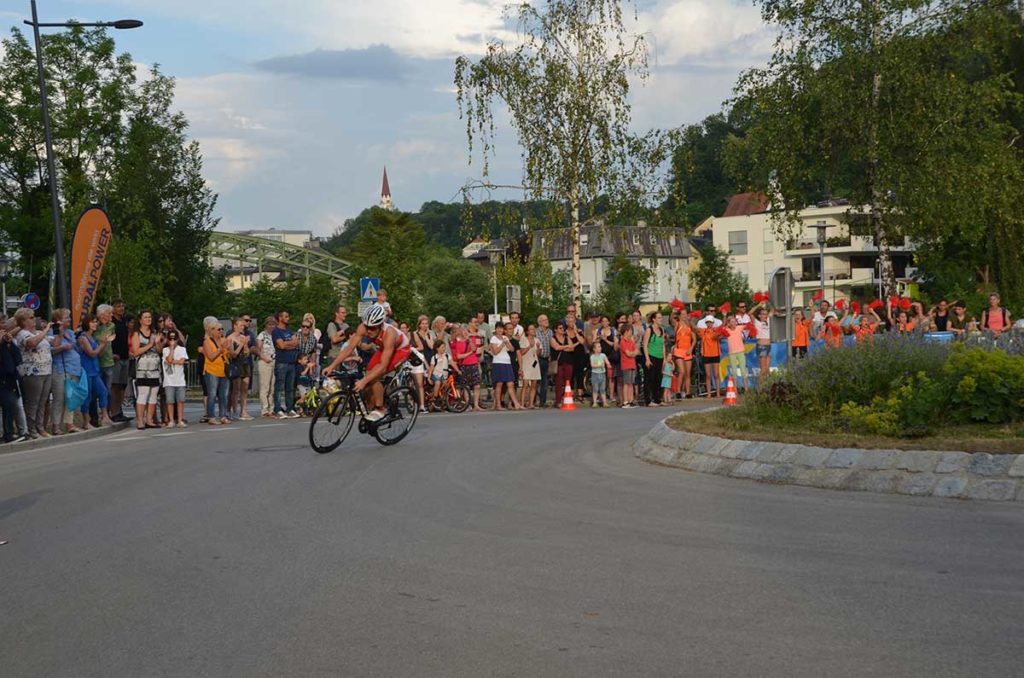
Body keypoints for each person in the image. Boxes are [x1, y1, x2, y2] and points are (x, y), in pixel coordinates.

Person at [324, 304, 411, 422]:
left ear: (380, 325)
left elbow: (383, 366)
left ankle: (380, 409)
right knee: (369, 375)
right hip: (383, 348)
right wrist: (332, 366)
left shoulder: (389, 333)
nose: (369, 331)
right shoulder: (363, 327)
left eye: (373, 328)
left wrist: (365, 380)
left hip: (400, 350)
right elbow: (349, 348)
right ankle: (372, 408)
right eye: (367, 327)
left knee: (374, 377)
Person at [13, 309, 52, 439]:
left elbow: (54, 343)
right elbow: (32, 343)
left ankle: (40, 428)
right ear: (23, 321)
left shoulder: (39, 333)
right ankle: (32, 430)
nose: (34, 319)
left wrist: (61, 330)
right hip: (32, 372)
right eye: (31, 317)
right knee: (33, 402)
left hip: (46, 370)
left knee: (43, 402)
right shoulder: (22, 334)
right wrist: (46, 331)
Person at [76, 313, 115, 429]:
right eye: (92, 322)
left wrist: (104, 343)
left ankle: (105, 416)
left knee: (103, 391)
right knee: (87, 396)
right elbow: (91, 353)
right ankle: (85, 421)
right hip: (86, 370)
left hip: (95, 370)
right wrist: (102, 344)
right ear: (86, 323)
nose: (95, 324)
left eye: (95, 322)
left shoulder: (92, 337)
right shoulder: (83, 338)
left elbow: (99, 353)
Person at [129, 309, 163, 430]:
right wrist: (150, 344)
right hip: (142, 368)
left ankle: (149, 420)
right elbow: (136, 351)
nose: (148, 319)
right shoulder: (136, 334)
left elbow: (159, 350)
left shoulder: (154, 332)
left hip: (154, 367)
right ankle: (140, 421)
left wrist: (157, 343)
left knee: (153, 394)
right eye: (145, 317)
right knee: (143, 394)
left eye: (149, 317)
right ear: (140, 320)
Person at [48, 308, 81, 434]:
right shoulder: (52, 332)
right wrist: (61, 337)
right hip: (60, 368)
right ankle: (56, 425)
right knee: (59, 398)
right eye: (67, 317)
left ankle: (69, 424)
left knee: (70, 397)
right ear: (59, 320)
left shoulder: (71, 332)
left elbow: (76, 347)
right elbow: (53, 349)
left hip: (73, 368)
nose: (70, 319)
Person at [201, 317, 230, 425]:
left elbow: (229, 355)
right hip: (212, 371)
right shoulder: (207, 342)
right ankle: (211, 416)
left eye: (222, 329)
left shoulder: (224, 340)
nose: (221, 331)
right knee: (212, 394)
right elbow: (211, 356)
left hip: (224, 371)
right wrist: (220, 348)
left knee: (224, 395)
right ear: (212, 330)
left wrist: (230, 348)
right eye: (219, 329)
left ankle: (223, 415)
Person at [0, 321, 25, 442]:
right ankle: (7, 434)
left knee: (9, 406)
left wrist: (10, 343)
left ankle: (8, 434)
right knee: (8, 403)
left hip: (9, 379)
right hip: (2, 379)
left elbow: (18, 358)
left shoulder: (7, 343)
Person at [489, 322, 523, 410]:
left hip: (507, 362)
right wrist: (502, 344)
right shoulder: (493, 338)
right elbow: (495, 351)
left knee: (511, 383)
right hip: (498, 362)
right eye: (498, 328)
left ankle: (516, 404)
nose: (500, 330)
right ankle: (498, 405)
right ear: (495, 329)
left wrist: (507, 342)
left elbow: (512, 349)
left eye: (501, 328)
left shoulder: (505, 337)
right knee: (499, 384)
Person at [108, 299, 133, 423]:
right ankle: (114, 411)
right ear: (113, 308)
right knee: (115, 385)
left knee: (122, 385)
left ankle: (119, 410)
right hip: (116, 357)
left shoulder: (123, 321)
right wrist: (111, 353)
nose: (121, 309)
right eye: (118, 306)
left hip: (125, 356)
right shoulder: (111, 322)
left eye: (122, 306)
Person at [272, 310, 300, 418]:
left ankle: (290, 409)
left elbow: (296, 343)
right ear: (280, 318)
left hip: (291, 362)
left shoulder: (289, 330)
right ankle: (278, 409)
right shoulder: (276, 331)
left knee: (290, 387)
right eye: (286, 316)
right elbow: (281, 345)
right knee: (279, 387)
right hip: (281, 362)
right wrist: (288, 344)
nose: (288, 318)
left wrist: (286, 343)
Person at [451, 325, 483, 412]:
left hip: (474, 363)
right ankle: (468, 404)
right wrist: (469, 353)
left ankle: (476, 405)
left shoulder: (471, 340)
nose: (465, 333)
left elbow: (475, 349)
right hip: (464, 365)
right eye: (463, 331)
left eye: (466, 331)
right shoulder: (458, 342)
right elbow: (458, 356)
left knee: (477, 385)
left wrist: (469, 341)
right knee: (466, 386)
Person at [162, 330, 188, 427]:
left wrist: (172, 361)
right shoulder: (165, 350)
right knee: (170, 401)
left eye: (174, 338)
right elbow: (168, 360)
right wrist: (171, 349)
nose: (172, 340)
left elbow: (182, 361)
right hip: (169, 380)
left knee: (180, 400)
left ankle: (180, 420)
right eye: (170, 338)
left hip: (180, 380)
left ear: (177, 339)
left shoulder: (182, 349)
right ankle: (171, 420)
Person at [409, 315, 433, 413]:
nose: (424, 325)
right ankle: (418, 403)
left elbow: (431, 346)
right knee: (418, 383)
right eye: (422, 324)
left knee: (429, 382)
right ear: (419, 325)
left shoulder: (430, 334)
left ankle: (428, 403)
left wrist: (427, 336)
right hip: (420, 359)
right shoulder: (415, 334)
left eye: (426, 324)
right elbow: (419, 347)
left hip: (429, 357)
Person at [254, 316, 277, 417]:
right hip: (265, 362)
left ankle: (272, 408)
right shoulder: (262, 335)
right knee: (265, 386)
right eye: (269, 324)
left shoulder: (276, 335)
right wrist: (264, 357)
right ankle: (264, 409)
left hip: (275, 361)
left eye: (273, 324)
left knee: (273, 387)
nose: (271, 326)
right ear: (266, 325)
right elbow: (257, 349)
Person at [698, 309, 723, 399]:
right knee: (708, 375)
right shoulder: (703, 331)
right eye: (708, 322)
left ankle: (718, 393)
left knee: (716, 375)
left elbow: (722, 329)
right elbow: (694, 328)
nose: (709, 324)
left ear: (713, 323)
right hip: (706, 355)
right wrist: (690, 320)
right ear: (706, 323)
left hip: (715, 354)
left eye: (711, 322)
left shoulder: (716, 331)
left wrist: (724, 316)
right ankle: (709, 393)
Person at [642, 311, 665, 406]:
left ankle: (657, 399)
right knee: (649, 379)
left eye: (661, 317)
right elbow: (645, 345)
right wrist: (647, 359)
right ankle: (648, 400)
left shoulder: (662, 330)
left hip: (660, 357)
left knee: (658, 379)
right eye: (659, 318)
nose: (661, 319)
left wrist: (664, 358)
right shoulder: (649, 330)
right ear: (654, 319)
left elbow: (663, 344)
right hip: (651, 356)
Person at [550, 322, 577, 403]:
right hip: (558, 363)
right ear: (555, 330)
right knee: (558, 382)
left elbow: (572, 348)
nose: (562, 329)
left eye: (563, 328)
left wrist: (565, 347)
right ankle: (558, 400)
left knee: (568, 381)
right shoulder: (553, 338)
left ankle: (566, 398)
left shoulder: (566, 337)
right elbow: (556, 347)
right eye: (560, 328)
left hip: (568, 361)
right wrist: (566, 346)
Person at [671, 312, 695, 400]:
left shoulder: (689, 326)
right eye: (683, 314)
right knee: (681, 371)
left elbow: (694, 339)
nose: (685, 316)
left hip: (687, 351)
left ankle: (688, 392)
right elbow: (672, 319)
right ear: (680, 315)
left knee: (688, 373)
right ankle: (678, 391)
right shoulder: (677, 324)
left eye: (686, 314)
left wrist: (691, 348)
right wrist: (673, 311)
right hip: (679, 350)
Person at [722, 316, 749, 392]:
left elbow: (749, 326)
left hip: (740, 352)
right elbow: (721, 330)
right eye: (732, 322)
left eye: (735, 321)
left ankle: (746, 389)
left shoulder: (739, 328)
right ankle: (735, 390)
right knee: (734, 372)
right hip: (732, 353)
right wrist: (726, 323)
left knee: (743, 370)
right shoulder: (727, 330)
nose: (734, 323)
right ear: (729, 323)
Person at [519, 324, 540, 409]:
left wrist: (538, 348)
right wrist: (529, 346)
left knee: (534, 384)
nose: (533, 331)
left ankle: (531, 403)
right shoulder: (523, 339)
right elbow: (521, 353)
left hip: (535, 363)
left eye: (534, 329)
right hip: (526, 363)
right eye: (531, 329)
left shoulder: (537, 340)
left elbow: (538, 354)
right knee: (525, 384)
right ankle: (522, 403)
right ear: (527, 331)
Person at [618, 323, 638, 408]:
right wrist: (633, 353)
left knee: (631, 383)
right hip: (626, 365)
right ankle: (625, 401)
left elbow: (636, 351)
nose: (631, 333)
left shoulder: (631, 341)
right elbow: (628, 353)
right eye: (630, 331)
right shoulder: (622, 341)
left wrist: (633, 353)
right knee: (626, 383)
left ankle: (631, 400)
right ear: (625, 332)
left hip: (632, 364)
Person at [535, 314, 553, 408]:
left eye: (547, 319)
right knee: (535, 381)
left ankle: (543, 401)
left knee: (544, 381)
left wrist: (551, 356)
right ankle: (533, 401)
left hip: (546, 359)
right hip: (537, 359)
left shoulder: (550, 332)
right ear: (540, 322)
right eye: (545, 320)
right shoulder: (535, 332)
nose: (547, 321)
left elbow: (552, 345)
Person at [752, 306, 771, 387]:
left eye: (766, 314)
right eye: (763, 314)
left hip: (768, 346)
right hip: (761, 346)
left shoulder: (768, 321)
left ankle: (765, 387)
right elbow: (750, 313)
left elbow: (773, 310)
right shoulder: (757, 322)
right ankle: (760, 388)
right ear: (759, 315)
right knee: (763, 369)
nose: (765, 316)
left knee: (767, 370)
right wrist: (758, 304)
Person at [428, 338, 450, 404]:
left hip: (444, 375)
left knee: (446, 385)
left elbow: (452, 363)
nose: (444, 349)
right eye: (442, 347)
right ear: (437, 348)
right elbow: (431, 368)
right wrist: (429, 378)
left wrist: (458, 369)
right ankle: (434, 397)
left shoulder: (446, 355)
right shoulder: (434, 357)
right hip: (436, 374)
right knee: (437, 382)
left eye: (444, 347)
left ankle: (443, 399)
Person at [590, 341, 610, 408]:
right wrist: (600, 366)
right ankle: (595, 402)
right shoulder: (592, 356)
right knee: (595, 389)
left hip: (602, 374)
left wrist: (608, 364)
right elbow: (592, 365)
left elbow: (607, 361)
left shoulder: (603, 355)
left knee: (602, 389)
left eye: (600, 346)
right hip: (595, 374)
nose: (600, 348)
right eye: (598, 347)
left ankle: (604, 402)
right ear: (594, 349)